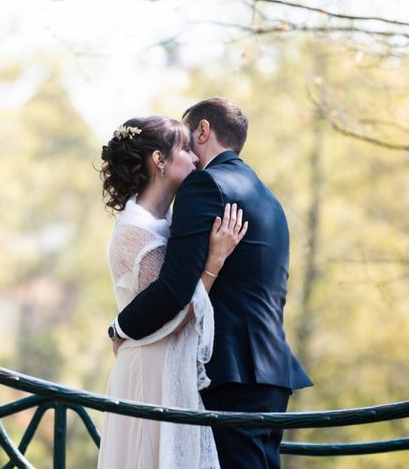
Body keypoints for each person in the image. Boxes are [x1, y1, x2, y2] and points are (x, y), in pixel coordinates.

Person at [110, 98, 313, 469]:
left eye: (190, 142)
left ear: (203, 130)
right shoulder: (266, 195)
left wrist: (120, 327)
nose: (189, 154)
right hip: (273, 370)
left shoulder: (204, 185)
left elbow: (173, 288)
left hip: (230, 370)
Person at [97, 115, 247, 469]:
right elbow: (174, 311)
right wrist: (214, 261)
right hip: (148, 371)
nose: (196, 158)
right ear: (159, 160)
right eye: (184, 149)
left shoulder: (168, 222)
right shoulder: (137, 231)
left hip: (167, 364)